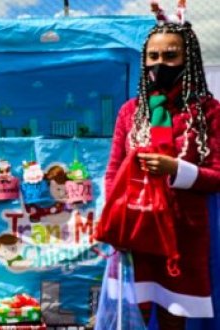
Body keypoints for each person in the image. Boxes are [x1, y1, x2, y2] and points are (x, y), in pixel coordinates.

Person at [104, 4, 220, 328]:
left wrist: (176, 169)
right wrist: (115, 221)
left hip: (184, 234)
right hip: (136, 230)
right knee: (132, 315)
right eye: (153, 57)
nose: (160, 64)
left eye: (170, 56)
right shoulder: (131, 112)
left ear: (189, 59)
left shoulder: (208, 112)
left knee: (174, 316)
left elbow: (218, 174)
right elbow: (113, 172)